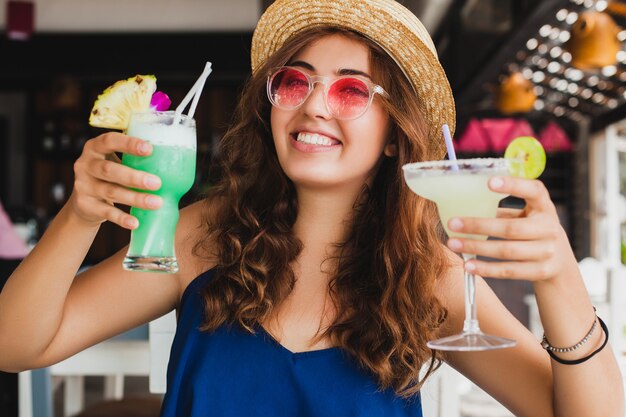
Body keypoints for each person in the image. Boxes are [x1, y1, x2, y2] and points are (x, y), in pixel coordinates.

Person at [0, 0, 623, 416]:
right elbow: (14, 347)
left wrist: (560, 279)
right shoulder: (206, 238)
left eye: (352, 90)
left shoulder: (425, 278)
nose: (314, 106)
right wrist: (80, 217)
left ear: (392, 136)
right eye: (295, 82)